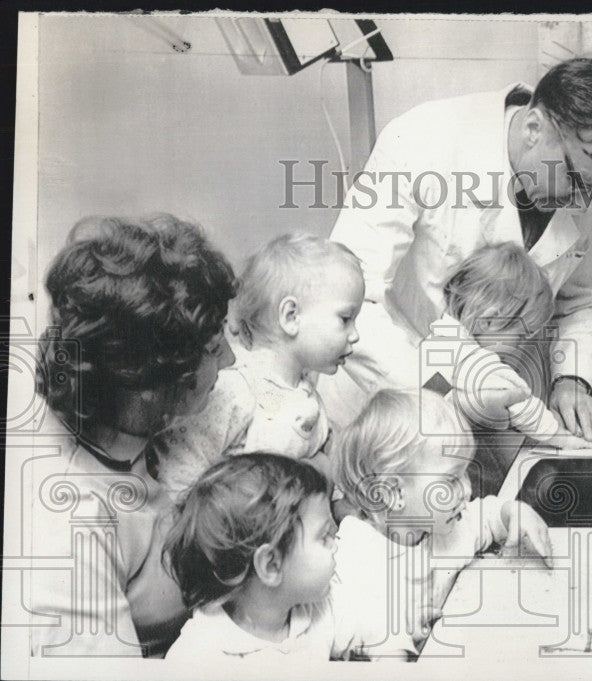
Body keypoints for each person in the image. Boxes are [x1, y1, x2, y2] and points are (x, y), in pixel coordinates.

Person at [321, 58, 592, 447]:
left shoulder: (585, 178)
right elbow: (348, 301)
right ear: (533, 128)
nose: (584, 201)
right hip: (385, 396)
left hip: (489, 410)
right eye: (575, 180)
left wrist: (572, 380)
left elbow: (586, 300)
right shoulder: (421, 141)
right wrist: (439, 394)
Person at [27, 214, 237, 657]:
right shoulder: (74, 517)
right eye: (215, 349)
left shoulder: (134, 429)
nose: (233, 361)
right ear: (150, 382)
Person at [331, 388, 554, 653]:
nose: (468, 490)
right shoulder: (354, 556)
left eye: (465, 473)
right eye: (451, 479)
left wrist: (513, 512)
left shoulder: (445, 527)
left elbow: (485, 518)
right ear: (393, 493)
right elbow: (345, 637)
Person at [154, 233, 363, 501]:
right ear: (291, 316)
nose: (355, 334)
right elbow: (181, 469)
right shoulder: (237, 387)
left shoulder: (302, 391)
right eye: (345, 319)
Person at [162, 454, 412, 662]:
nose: (336, 539)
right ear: (271, 565)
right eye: (324, 535)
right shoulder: (198, 658)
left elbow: (382, 628)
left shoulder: (319, 607)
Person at [426, 242, 592, 450]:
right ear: (489, 320)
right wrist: (560, 435)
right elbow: (518, 401)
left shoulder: (438, 336)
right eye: (522, 335)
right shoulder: (474, 360)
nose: (521, 346)